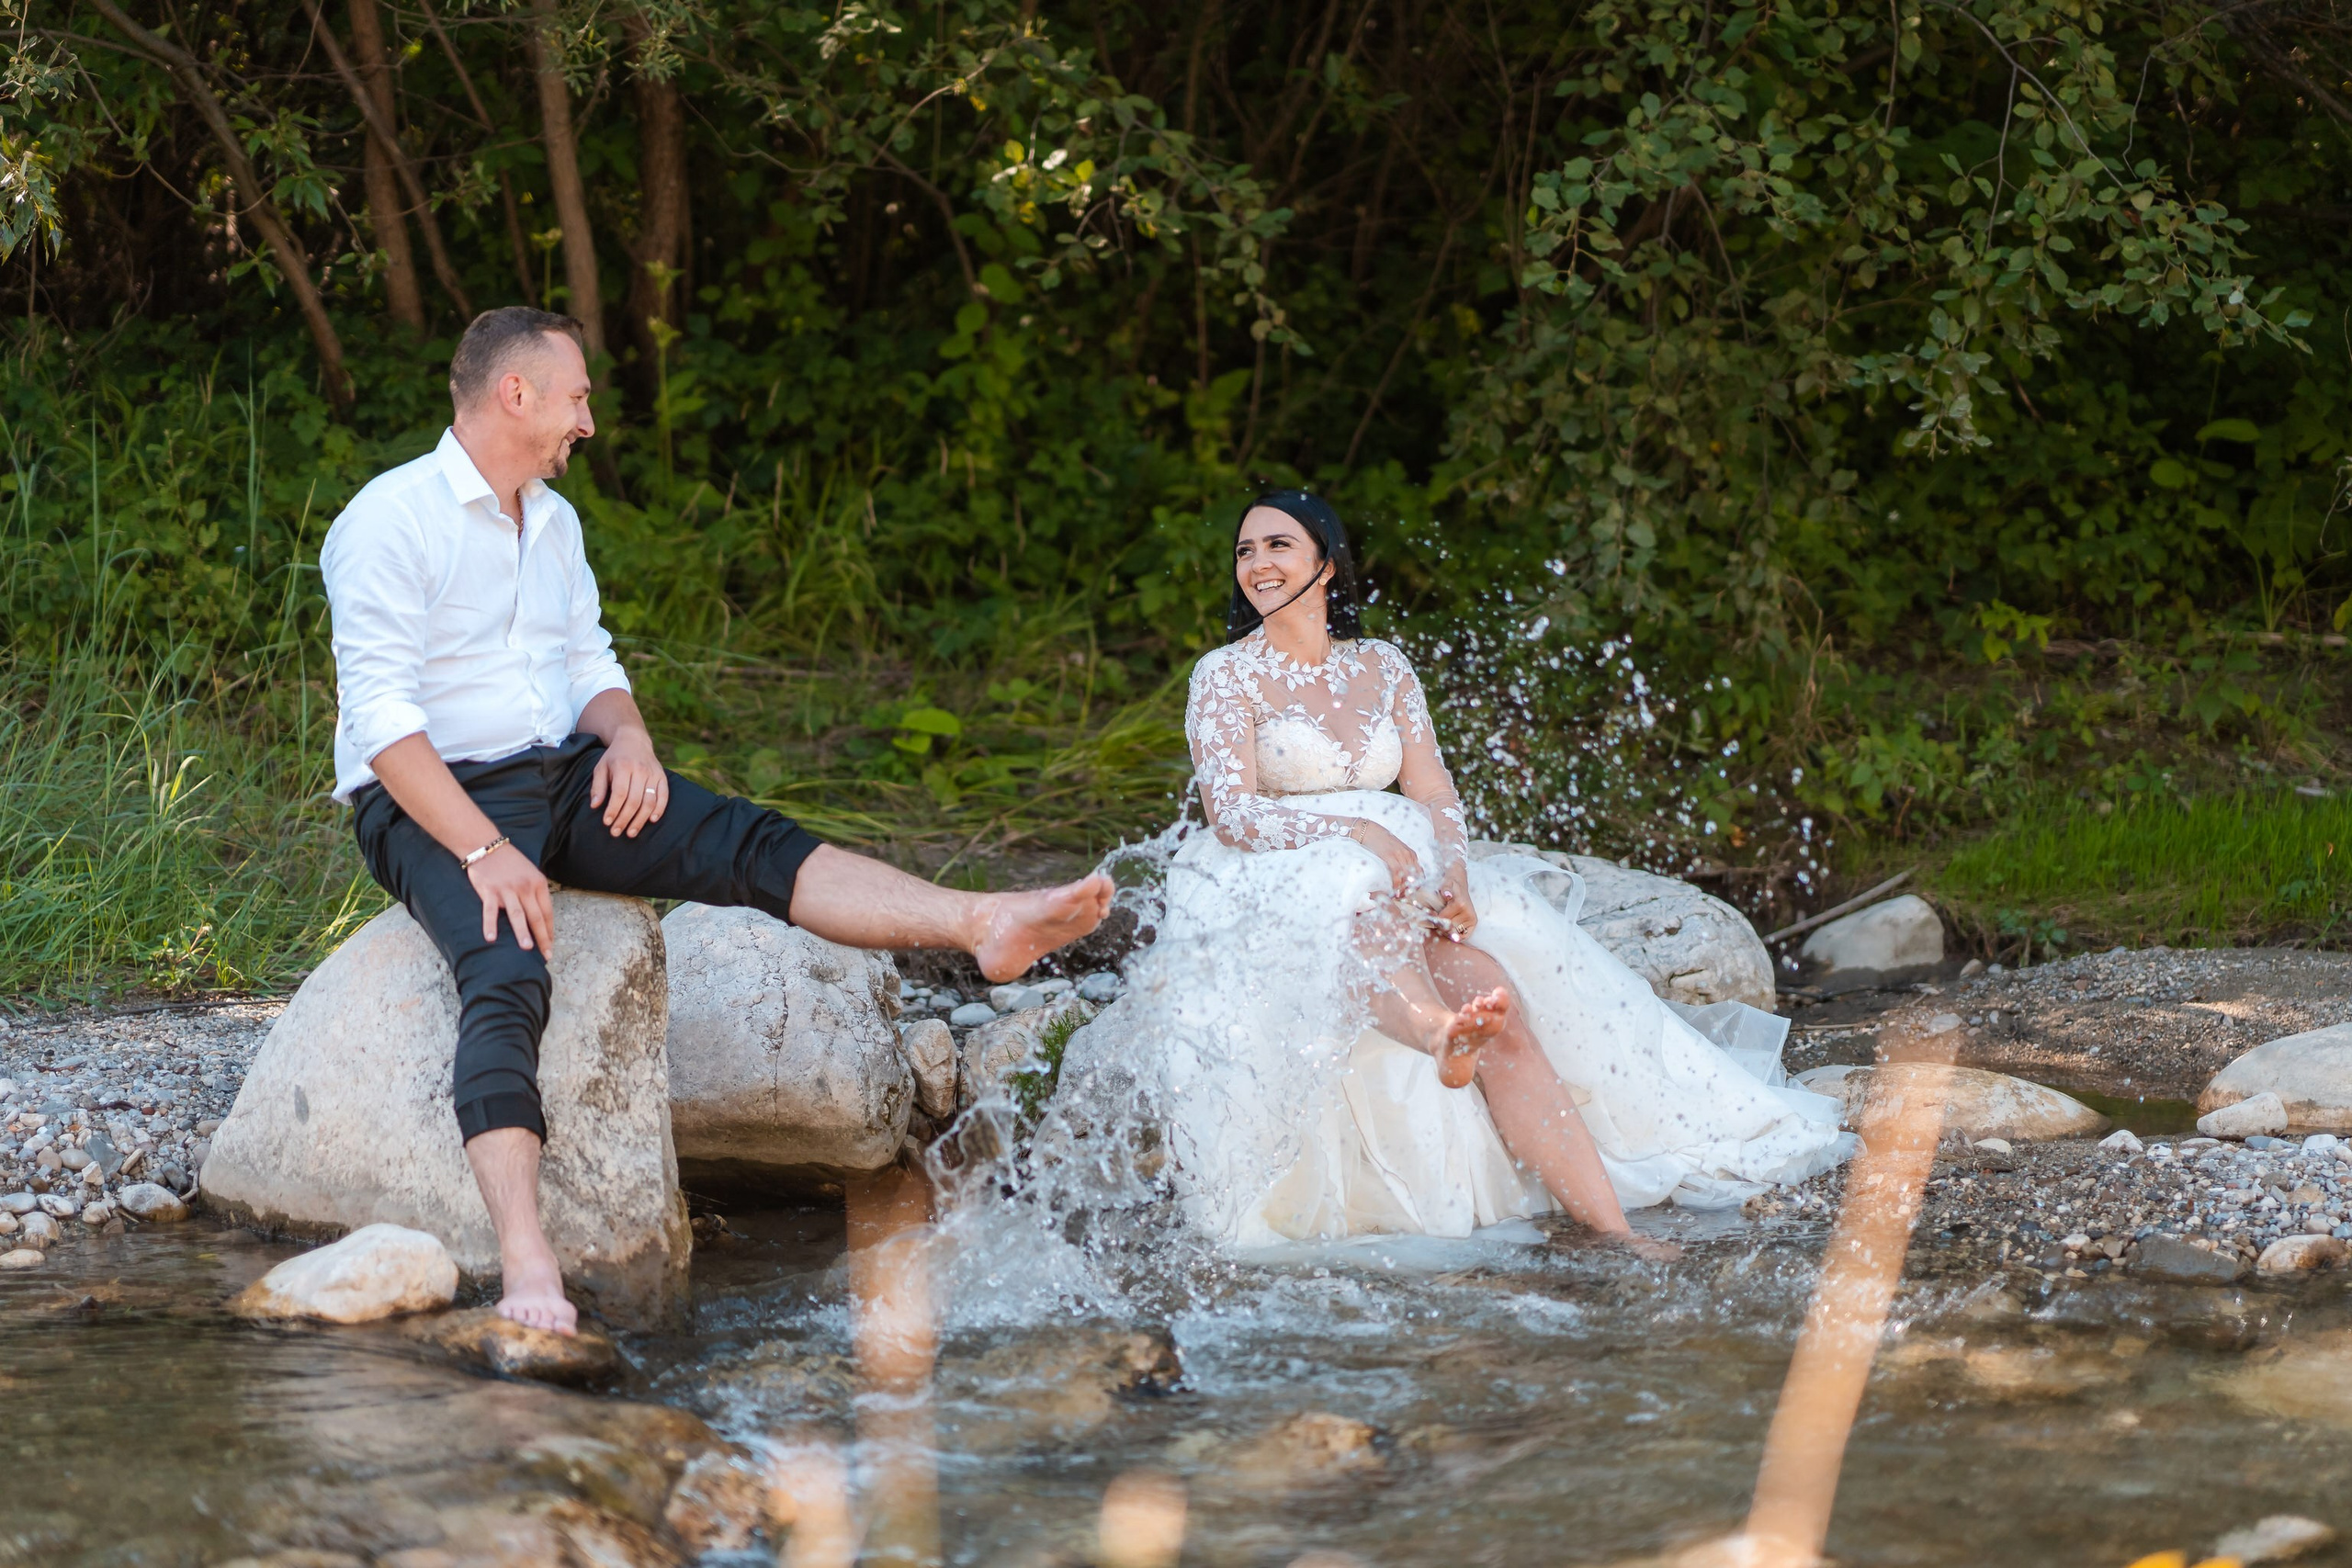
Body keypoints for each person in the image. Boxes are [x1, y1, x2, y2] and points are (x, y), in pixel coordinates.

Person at [321, 306, 1112, 1334]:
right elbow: (383, 728)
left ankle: (979, 923)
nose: (588, 422)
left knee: (748, 840)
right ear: (515, 394)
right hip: (430, 798)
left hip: (564, 775)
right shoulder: (390, 519)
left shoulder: (551, 523)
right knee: (509, 975)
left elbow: (587, 666)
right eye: (578, 398)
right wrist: (483, 851)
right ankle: (528, 1265)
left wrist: (632, 739)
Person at [1138, 490, 1849, 1253]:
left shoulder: (1382, 666)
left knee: (1497, 1004)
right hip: (1273, 876)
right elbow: (1234, 815)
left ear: (1328, 563)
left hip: (1395, 868)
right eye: (1246, 551)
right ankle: (1436, 1034)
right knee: (1356, 908)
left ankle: (1613, 1227)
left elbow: (1434, 788)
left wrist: (1458, 880)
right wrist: (1362, 830)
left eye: (1278, 545)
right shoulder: (1224, 675)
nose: (1258, 564)